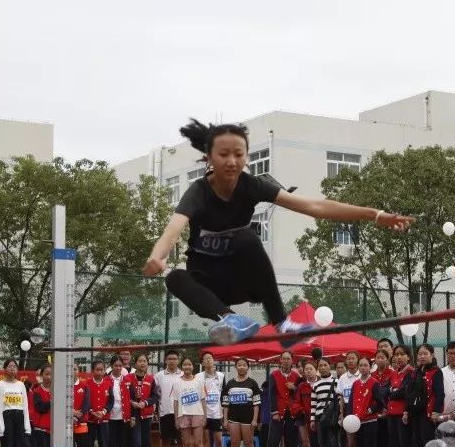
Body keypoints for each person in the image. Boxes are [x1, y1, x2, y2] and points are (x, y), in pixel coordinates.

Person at [142, 119, 413, 345]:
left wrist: (374, 214)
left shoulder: (253, 186)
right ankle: (229, 319)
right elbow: (174, 227)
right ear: (209, 157)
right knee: (176, 277)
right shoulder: (199, 191)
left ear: (246, 157)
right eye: (223, 155)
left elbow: (313, 205)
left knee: (247, 237)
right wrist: (158, 255)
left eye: (239, 154)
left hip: (243, 281)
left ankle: (281, 323)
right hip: (209, 288)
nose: (232, 162)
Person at [408, 344, 444, 447]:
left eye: (425, 354)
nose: (422, 356)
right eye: (420, 354)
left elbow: (439, 393)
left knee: (428, 444)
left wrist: (436, 411)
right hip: (416, 413)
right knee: (417, 445)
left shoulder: (436, 372)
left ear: (432, 355)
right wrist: (407, 410)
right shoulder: (416, 372)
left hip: (428, 414)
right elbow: (410, 393)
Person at [220, 357, 261, 447]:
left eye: (244, 365)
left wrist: (255, 419)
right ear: (235, 367)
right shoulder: (230, 384)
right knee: (234, 443)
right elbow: (226, 404)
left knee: (248, 444)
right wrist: (225, 420)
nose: (242, 367)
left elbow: (256, 404)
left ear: (248, 367)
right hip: (233, 418)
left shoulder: (253, 383)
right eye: (239, 365)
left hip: (248, 419)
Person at [265, 351, 301, 447]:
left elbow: (299, 395)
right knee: (273, 441)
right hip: (278, 411)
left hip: (292, 412)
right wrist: (274, 411)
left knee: (291, 441)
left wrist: (295, 388)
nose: (286, 361)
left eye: (288, 359)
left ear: (292, 361)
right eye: (284, 358)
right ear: (280, 360)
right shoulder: (274, 375)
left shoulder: (297, 376)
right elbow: (271, 394)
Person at [386, 345, 418, 447]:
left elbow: (405, 392)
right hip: (391, 413)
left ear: (408, 357)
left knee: (406, 444)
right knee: (394, 445)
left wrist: (393, 392)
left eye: (401, 354)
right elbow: (386, 390)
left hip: (403, 414)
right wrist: (393, 391)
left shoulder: (411, 372)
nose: (398, 357)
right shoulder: (393, 373)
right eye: (396, 354)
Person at [123, 353, 158, 447]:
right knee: (135, 441)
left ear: (148, 364)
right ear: (135, 363)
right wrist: (132, 402)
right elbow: (124, 395)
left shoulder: (151, 379)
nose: (142, 363)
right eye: (140, 361)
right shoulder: (128, 378)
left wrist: (145, 403)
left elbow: (155, 396)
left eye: (145, 361)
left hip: (146, 414)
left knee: (146, 443)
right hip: (133, 415)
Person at [349, 357, 382, 447]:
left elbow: (380, 402)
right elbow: (351, 402)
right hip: (357, 421)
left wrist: (370, 410)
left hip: (370, 421)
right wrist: (349, 416)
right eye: (361, 365)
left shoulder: (374, 383)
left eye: (365, 365)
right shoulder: (355, 384)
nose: (363, 367)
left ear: (370, 367)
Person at [171, 357, 206, 447]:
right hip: (183, 414)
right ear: (182, 367)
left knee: (198, 442)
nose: (187, 367)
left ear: (193, 366)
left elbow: (203, 399)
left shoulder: (199, 381)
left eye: (189, 364)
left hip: (197, 413)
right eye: (185, 365)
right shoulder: (177, 382)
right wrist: (176, 418)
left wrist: (204, 416)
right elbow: (175, 402)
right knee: (186, 443)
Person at [153, 351, 184, 447]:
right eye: (170, 358)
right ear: (166, 360)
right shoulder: (159, 376)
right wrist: (155, 411)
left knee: (181, 440)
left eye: (175, 358)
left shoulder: (183, 374)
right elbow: (156, 395)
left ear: (178, 360)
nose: (172, 361)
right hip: (165, 412)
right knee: (164, 440)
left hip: (181, 413)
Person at [309, 358, 340, 447]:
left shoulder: (337, 381)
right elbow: (313, 403)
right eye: (320, 365)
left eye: (325, 365)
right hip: (319, 417)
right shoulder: (315, 385)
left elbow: (339, 400)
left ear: (329, 366)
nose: (322, 367)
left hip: (333, 417)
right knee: (322, 444)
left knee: (334, 444)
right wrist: (312, 419)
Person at [28, 365, 58, 447]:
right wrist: (51, 400)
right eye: (46, 374)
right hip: (41, 427)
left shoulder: (57, 390)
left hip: (55, 427)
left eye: (51, 374)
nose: (49, 376)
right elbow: (40, 407)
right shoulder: (37, 392)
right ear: (41, 376)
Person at [106, 355, 133, 447]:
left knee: (124, 445)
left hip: (124, 417)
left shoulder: (128, 380)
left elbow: (132, 398)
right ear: (111, 366)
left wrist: (132, 416)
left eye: (120, 366)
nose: (118, 368)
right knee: (109, 444)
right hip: (110, 417)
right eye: (116, 365)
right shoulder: (106, 380)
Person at [198, 352, 225, 447]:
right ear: (202, 363)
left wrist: (224, 414)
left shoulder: (221, 376)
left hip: (216, 414)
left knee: (218, 440)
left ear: (214, 361)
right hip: (203, 413)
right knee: (204, 441)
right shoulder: (198, 377)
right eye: (206, 359)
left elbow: (224, 396)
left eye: (210, 358)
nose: (208, 361)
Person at [336, 351, 362, 447]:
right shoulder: (342, 378)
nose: (350, 361)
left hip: (361, 411)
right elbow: (341, 397)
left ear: (357, 360)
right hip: (348, 412)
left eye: (353, 358)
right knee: (350, 443)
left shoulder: (361, 375)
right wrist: (341, 414)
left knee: (362, 442)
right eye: (349, 359)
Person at [73, 365, 93, 447]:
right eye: (70, 368)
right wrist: (71, 413)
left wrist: (78, 415)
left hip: (81, 423)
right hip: (68, 423)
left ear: (78, 371)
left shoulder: (84, 385)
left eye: (75, 369)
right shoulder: (62, 386)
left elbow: (86, 404)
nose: (72, 371)